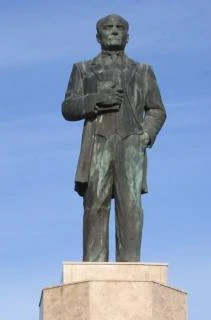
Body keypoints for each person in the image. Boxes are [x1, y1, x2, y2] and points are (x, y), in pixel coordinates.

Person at [62, 13, 166, 262]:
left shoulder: (143, 71)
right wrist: (96, 99)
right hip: (98, 142)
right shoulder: (83, 69)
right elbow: (68, 107)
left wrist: (145, 135)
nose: (114, 31)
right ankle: (94, 266)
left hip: (131, 143)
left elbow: (157, 109)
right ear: (98, 35)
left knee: (130, 207)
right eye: (108, 28)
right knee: (95, 204)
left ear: (128, 36)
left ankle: (130, 265)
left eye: (120, 28)